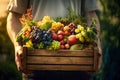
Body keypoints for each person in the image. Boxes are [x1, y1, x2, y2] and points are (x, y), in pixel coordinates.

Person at [7, 0, 102, 80]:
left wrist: (97, 44)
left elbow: (90, 14)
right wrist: (17, 46)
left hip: (77, 63)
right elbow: (14, 16)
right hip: (36, 63)